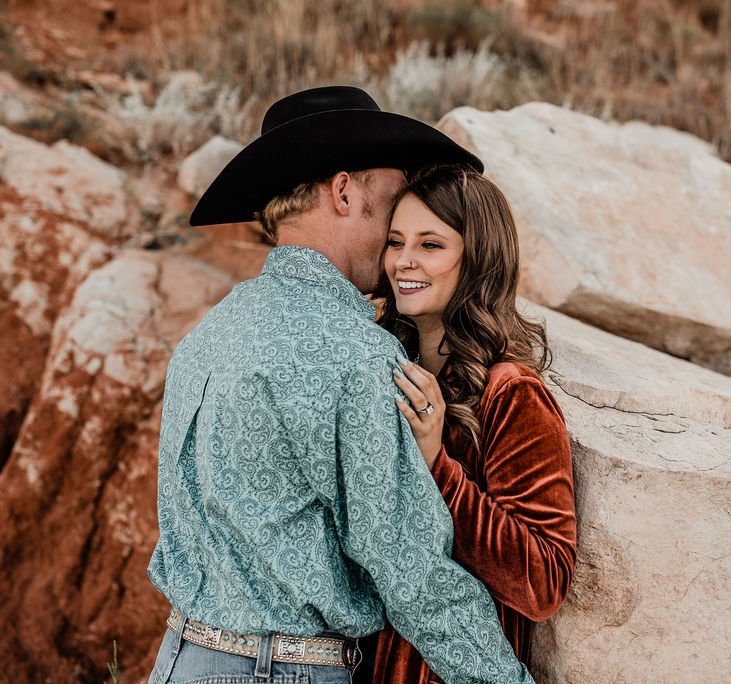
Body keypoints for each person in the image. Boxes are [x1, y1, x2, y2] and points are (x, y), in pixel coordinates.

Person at [146, 86, 535, 684]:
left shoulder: (209, 333)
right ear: (346, 191)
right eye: (388, 203)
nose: (393, 237)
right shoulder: (355, 356)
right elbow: (412, 574)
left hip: (179, 660)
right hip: (277, 672)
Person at [369, 166, 578, 683]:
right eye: (395, 242)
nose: (404, 261)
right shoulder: (388, 366)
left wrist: (437, 466)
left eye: (431, 245)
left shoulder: (511, 394)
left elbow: (544, 580)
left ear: (478, 260)